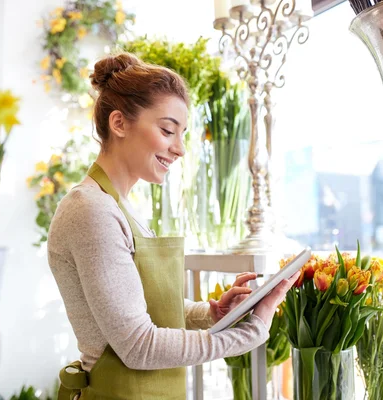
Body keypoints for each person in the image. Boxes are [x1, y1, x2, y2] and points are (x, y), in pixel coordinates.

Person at [47, 52, 299, 400]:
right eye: (167, 130)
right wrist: (247, 334)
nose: (179, 149)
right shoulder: (91, 210)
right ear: (119, 124)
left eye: (182, 134)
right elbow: (138, 345)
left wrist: (210, 314)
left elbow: (137, 306)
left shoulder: (119, 207)